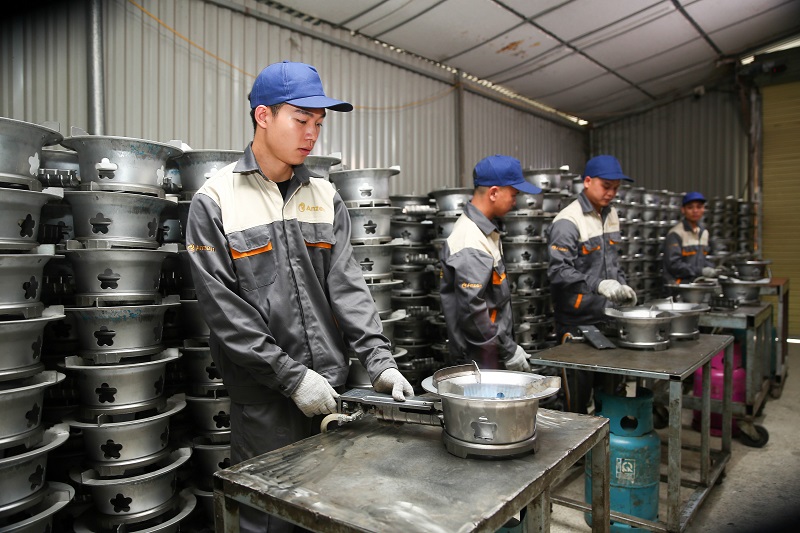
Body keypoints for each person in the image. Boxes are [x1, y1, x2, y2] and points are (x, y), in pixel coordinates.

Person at [185, 60, 413, 533]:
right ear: (263, 116)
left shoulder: (325, 197)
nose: (312, 134)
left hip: (332, 391)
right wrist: (291, 378)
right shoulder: (216, 200)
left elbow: (347, 287)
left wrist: (380, 363)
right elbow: (224, 311)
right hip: (265, 401)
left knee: (330, 511)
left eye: (319, 123)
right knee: (269, 518)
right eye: (301, 119)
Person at [547, 154, 637, 413]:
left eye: (616, 188)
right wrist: (598, 285)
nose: (611, 193)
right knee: (576, 403)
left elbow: (613, 262)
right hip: (577, 324)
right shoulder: (568, 221)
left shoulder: (611, 214)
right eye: (606, 186)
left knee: (610, 398)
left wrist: (621, 287)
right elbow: (558, 272)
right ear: (587, 181)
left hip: (608, 320)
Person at [439, 154, 542, 371]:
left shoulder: (484, 231)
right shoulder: (470, 238)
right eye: (513, 195)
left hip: (489, 353)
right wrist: (508, 349)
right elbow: (472, 310)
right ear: (494, 192)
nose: (515, 202)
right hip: (479, 361)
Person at [663, 191, 716, 285]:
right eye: (690, 207)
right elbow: (674, 265)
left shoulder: (704, 233)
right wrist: (700, 271)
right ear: (683, 210)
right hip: (679, 286)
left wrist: (712, 268)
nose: (695, 211)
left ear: (703, 209)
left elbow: (703, 259)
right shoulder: (676, 234)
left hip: (697, 284)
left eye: (699, 207)